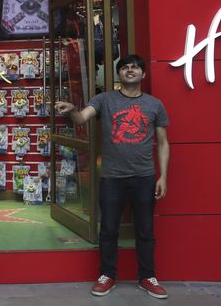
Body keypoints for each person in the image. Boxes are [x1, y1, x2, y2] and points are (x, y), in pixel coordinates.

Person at [54, 54, 170, 300]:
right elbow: (81, 118)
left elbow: (162, 143)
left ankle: (147, 276)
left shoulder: (154, 105)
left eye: (136, 67)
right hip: (112, 177)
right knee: (108, 229)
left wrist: (163, 177)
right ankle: (107, 275)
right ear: (119, 73)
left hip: (145, 177)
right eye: (125, 67)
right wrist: (73, 109)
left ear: (143, 74)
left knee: (146, 230)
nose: (131, 70)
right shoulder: (104, 100)